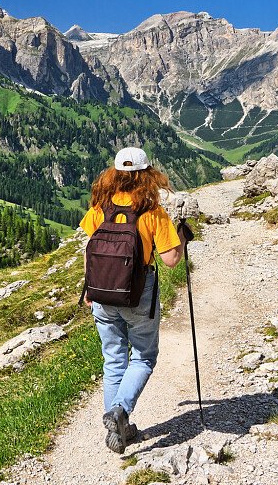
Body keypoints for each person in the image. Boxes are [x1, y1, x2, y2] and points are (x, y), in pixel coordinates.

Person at [79, 146, 187, 454]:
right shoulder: (152, 211)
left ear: (114, 174)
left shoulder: (100, 206)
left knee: (114, 360)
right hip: (139, 291)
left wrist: (89, 288)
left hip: (101, 291)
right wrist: (182, 239)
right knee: (143, 357)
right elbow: (169, 260)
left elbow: (92, 246)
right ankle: (120, 412)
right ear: (146, 175)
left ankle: (119, 429)